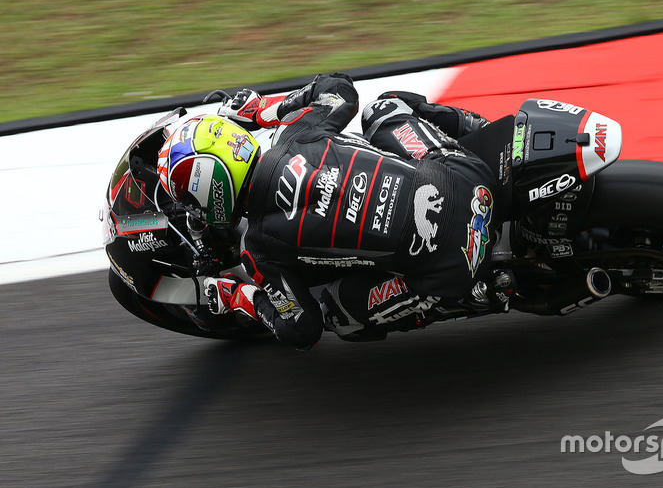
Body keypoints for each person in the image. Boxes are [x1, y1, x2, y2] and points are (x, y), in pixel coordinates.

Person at [158, 72, 509, 348]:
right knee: (383, 109)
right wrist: (262, 111)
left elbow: (302, 329)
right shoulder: (295, 132)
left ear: (209, 195)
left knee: (336, 314)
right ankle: (488, 133)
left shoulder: (258, 248)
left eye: (188, 200)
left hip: (454, 265)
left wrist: (239, 296)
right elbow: (339, 86)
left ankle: (476, 296)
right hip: (469, 177)